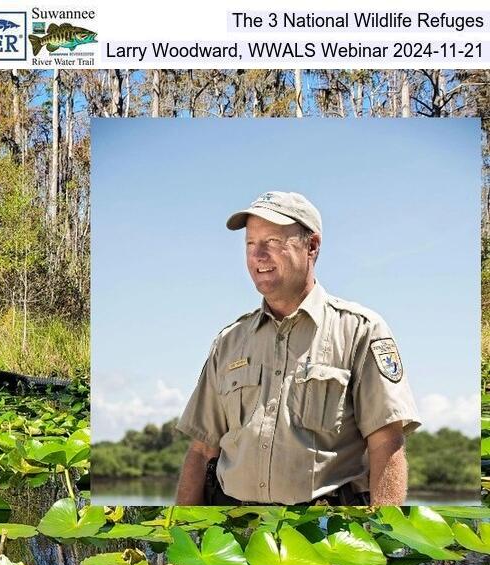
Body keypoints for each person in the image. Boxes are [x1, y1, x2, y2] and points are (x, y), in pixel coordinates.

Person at [175, 191, 420, 506]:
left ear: (312, 246)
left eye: (273, 242)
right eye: (251, 244)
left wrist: (382, 537)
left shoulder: (361, 330)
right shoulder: (229, 341)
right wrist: (180, 531)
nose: (258, 255)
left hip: (328, 530)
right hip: (233, 530)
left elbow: (387, 443)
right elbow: (201, 450)